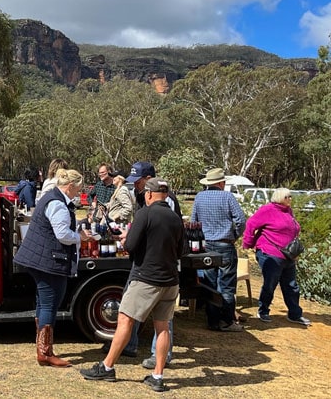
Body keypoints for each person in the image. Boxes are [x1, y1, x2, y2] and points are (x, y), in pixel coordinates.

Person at [80, 178, 184, 392]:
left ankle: (107, 367)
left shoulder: (145, 214)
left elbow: (130, 244)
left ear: (148, 194)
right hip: (170, 280)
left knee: (124, 320)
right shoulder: (175, 218)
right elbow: (182, 250)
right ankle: (158, 375)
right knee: (162, 327)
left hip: (146, 278)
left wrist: (128, 239)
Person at [14, 168, 92, 367]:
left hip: (40, 257)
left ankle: (43, 348)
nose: (79, 193)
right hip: (49, 260)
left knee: (44, 302)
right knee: (50, 303)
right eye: (78, 189)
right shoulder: (57, 203)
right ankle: (45, 352)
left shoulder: (50, 196)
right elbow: (63, 235)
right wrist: (80, 238)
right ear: (70, 186)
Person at [242, 188, 311, 326]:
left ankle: (295, 314)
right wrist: (247, 243)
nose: (290, 199)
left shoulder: (288, 211)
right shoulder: (267, 210)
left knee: (291, 286)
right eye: (288, 196)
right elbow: (250, 224)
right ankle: (263, 311)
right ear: (280, 197)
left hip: (288, 255)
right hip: (270, 253)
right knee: (270, 283)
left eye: (291, 196)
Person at [191, 167, 246, 332]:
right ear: (221, 183)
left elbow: (194, 221)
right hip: (224, 244)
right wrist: (234, 235)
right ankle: (227, 321)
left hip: (206, 245)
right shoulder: (228, 197)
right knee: (227, 285)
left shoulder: (200, 197)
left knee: (210, 284)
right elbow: (241, 220)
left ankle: (212, 320)